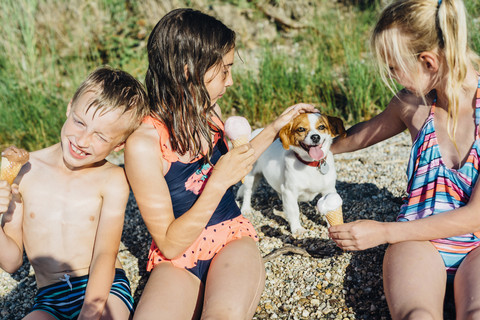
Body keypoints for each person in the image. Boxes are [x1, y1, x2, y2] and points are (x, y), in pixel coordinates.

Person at [125, 8, 316, 319]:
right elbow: (171, 245)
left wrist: (274, 127)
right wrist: (217, 182)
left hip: (231, 237)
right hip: (177, 257)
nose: (231, 81)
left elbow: (237, 164)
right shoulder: (144, 144)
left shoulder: (207, 114)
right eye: (225, 70)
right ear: (188, 70)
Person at [328, 0, 480, 319]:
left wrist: (381, 232)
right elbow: (356, 138)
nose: (392, 76)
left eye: (393, 67)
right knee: (416, 315)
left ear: (428, 61)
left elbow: (474, 216)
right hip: (416, 241)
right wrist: (302, 145)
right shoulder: (412, 106)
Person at [0, 66, 149, 320]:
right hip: (49, 297)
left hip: (104, 288)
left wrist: (90, 311)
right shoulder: (25, 173)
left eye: (100, 136)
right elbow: (11, 261)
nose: (82, 140)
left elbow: (106, 253)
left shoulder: (112, 180)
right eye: (80, 122)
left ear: (119, 144)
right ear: (70, 107)